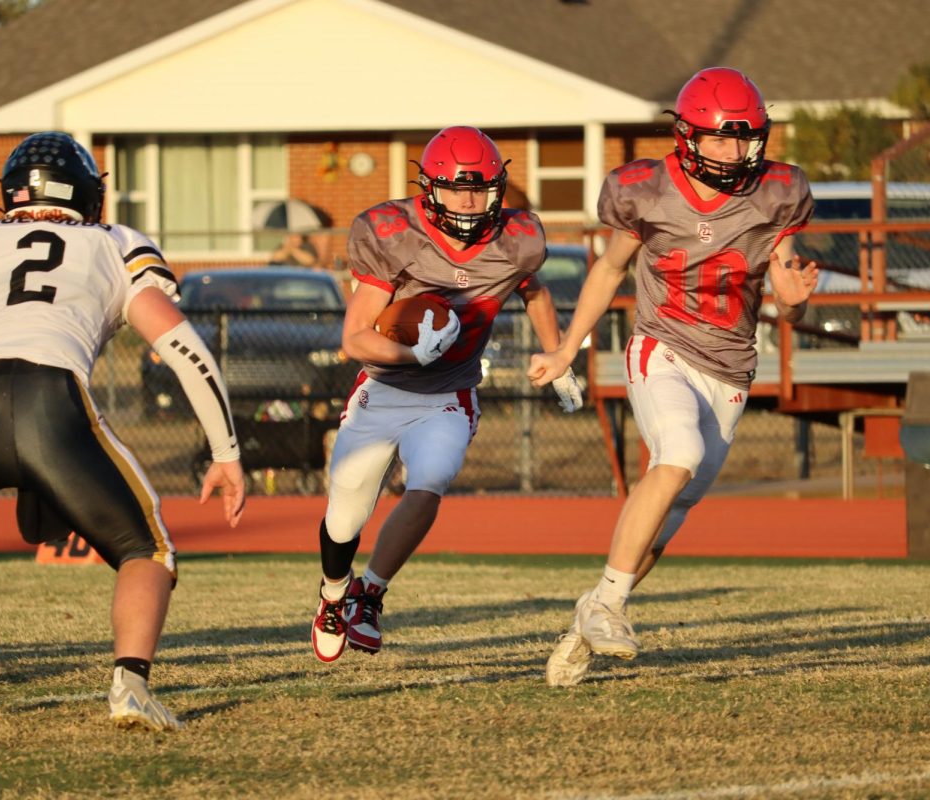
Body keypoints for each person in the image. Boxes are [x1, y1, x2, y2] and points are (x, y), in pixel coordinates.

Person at [0, 132, 246, 738]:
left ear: (11, 192)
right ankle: (130, 688)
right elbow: (186, 351)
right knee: (147, 551)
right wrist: (227, 453)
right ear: (90, 195)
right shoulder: (118, 246)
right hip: (49, 399)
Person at [528, 68, 819, 686]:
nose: (731, 152)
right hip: (661, 346)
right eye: (717, 139)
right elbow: (609, 271)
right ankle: (607, 604)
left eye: (742, 140)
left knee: (670, 515)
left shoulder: (778, 193)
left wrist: (794, 300)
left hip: (731, 367)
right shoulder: (646, 189)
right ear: (687, 136)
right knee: (678, 450)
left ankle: (593, 613)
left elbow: (790, 295)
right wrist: (566, 348)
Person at [310, 125, 583, 662]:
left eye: (479, 188)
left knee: (429, 484)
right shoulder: (392, 233)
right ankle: (333, 596)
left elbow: (533, 289)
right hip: (383, 389)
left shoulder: (516, 239)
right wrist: (413, 353)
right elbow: (356, 336)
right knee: (345, 512)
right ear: (428, 188)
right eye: (457, 188)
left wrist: (560, 356)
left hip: (448, 395)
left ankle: (372, 594)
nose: (468, 200)